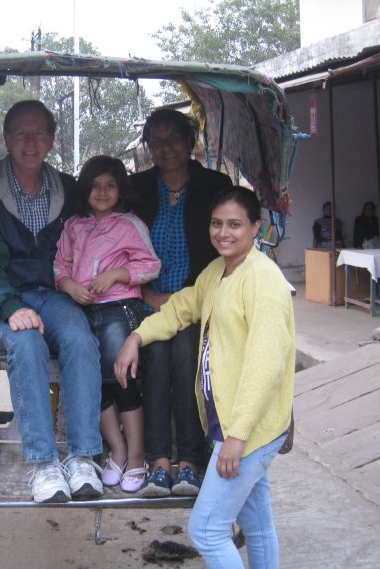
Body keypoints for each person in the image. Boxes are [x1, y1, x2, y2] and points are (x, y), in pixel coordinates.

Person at [115, 185, 295, 568]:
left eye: (235, 225)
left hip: (249, 431)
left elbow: (266, 368)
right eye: (217, 224)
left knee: (208, 531)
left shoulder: (264, 281)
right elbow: (181, 308)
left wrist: (236, 438)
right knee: (258, 525)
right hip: (232, 426)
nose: (223, 233)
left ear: (256, 228)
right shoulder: (218, 272)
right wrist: (136, 336)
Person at [0, 100, 104, 503]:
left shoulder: (68, 188)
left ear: (52, 139)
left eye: (39, 133)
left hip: (54, 292)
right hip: (5, 295)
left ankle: (82, 455)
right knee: (26, 344)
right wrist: (7, 306)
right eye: (21, 133)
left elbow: (94, 234)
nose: (31, 141)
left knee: (79, 338)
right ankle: (42, 462)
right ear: (7, 138)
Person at [129, 107, 232, 497]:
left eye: (174, 138)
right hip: (146, 299)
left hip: (197, 302)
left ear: (191, 142)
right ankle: (158, 463)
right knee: (153, 357)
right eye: (156, 141)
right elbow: (119, 245)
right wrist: (148, 295)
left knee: (188, 353)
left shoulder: (214, 185)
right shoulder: (135, 188)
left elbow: (224, 248)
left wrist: (185, 297)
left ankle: (189, 463)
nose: (165, 147)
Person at [54, 155, 160, 493]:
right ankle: (118, 451)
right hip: (82, 311)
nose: (102, 192)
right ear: (84, 189)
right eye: (95, 185)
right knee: (92, 382)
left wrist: (117, 274)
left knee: (122, 380)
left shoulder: (129, 224)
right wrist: (68, 285)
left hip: (119, 309)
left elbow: (150, 265)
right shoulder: (73, 225)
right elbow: (60, 265)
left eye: (110, 185)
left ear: (120, 190)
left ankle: (139, 456)